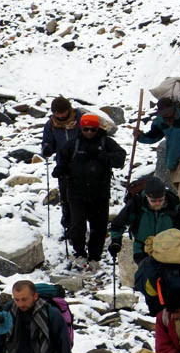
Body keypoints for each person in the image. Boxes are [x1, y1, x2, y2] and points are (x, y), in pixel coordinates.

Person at [53, 113, 126, 268]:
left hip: (100, 193)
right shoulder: (73, 145)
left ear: (97, 128)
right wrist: (60, 170)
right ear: (81, 128)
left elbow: (120, 160)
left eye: (92, 129)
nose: (89, 133)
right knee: (77, 225)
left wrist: (102, 156)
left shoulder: (107, 143)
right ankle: (79, 253)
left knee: (98, 227)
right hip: (76, 193)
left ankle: (94, 257)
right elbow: (62, 160)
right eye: (86, 129)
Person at [108, 176, 180, 280]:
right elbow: (118, 224)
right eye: (153, 201)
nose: (157, 204)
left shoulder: (172, 203)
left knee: (171, 280)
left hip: (169, 248)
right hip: (142, 249)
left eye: (160, 200)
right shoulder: (136, 203)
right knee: (150, 277)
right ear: (146, 196)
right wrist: (116, 242)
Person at [134, 97, 180, 205]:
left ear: (173, 109)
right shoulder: (160, 121)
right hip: (174, 160)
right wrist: (140, 136)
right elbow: (153, 137)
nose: (166, 115)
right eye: (163, 113)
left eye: (168, 112)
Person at [41, 97, 84, 231]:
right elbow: (47, 142)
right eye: (57, 113)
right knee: (66, 198)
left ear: (69, 109)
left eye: (63, 112)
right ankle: (69, 227)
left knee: (83, 198)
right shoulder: (51, 125)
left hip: (83, 164)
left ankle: (82, 226)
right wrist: (46, 148)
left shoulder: (80, 119)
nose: (60, 116)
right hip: (63, 166)